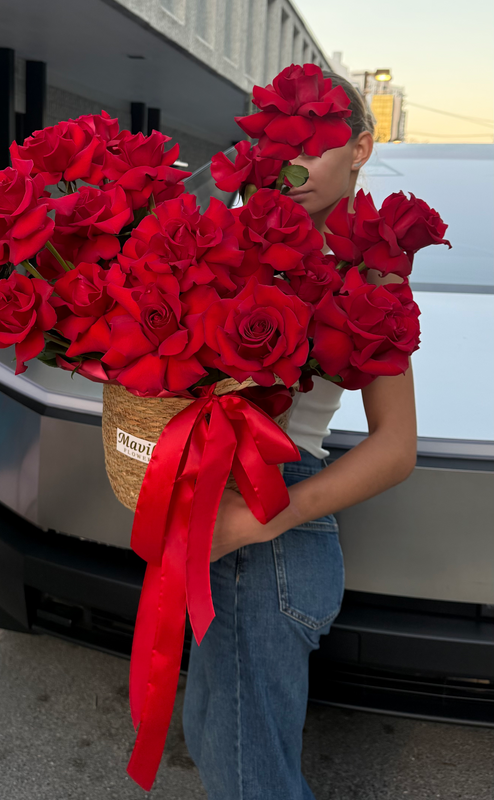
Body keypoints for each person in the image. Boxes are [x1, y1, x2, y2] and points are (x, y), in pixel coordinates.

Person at [181, 71, 418, 800]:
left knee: (250, 775)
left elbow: (395, 447)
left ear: (361, 147)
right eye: (275, 141)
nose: (290, 164)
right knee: (222, 743)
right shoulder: (231, 241)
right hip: (226, 519)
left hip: (269, 532)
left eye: (314, 144)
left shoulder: (368, 273)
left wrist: (254, 522)